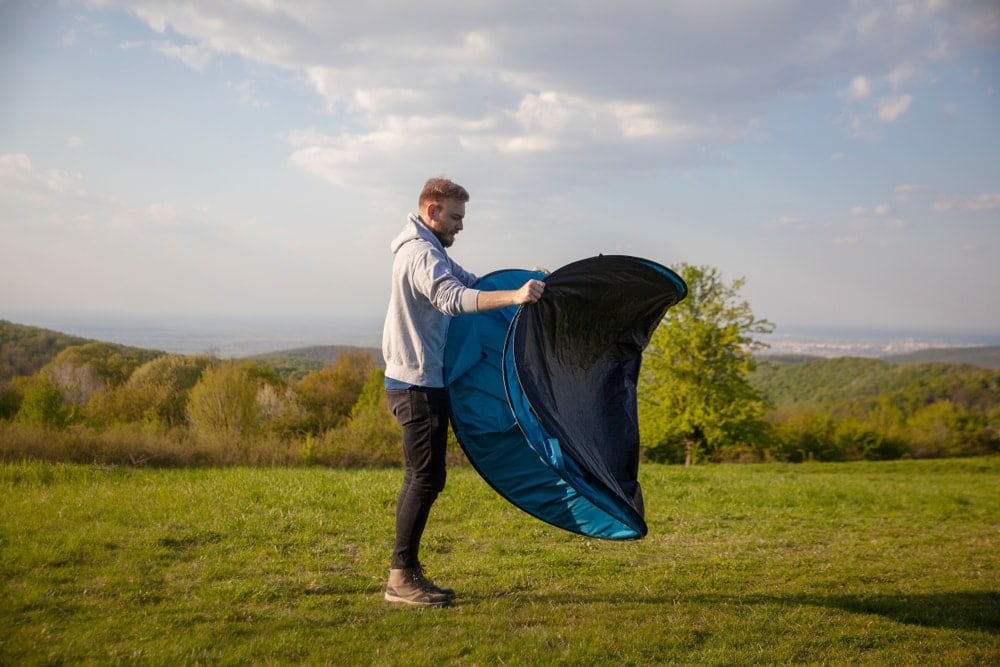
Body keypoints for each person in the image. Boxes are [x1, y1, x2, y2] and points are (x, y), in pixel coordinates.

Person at [381, 177, 545, 606]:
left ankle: (406, 572)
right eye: (455, 217)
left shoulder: (429, 250)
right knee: (425, 477)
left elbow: (475, 282)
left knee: (426, 477)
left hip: (422, 380)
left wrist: (529, 281)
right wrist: (515, 296)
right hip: (415, 383)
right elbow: (452, 298)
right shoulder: (420, 254)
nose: (460, 226)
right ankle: (400, 577)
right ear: (432, 210)